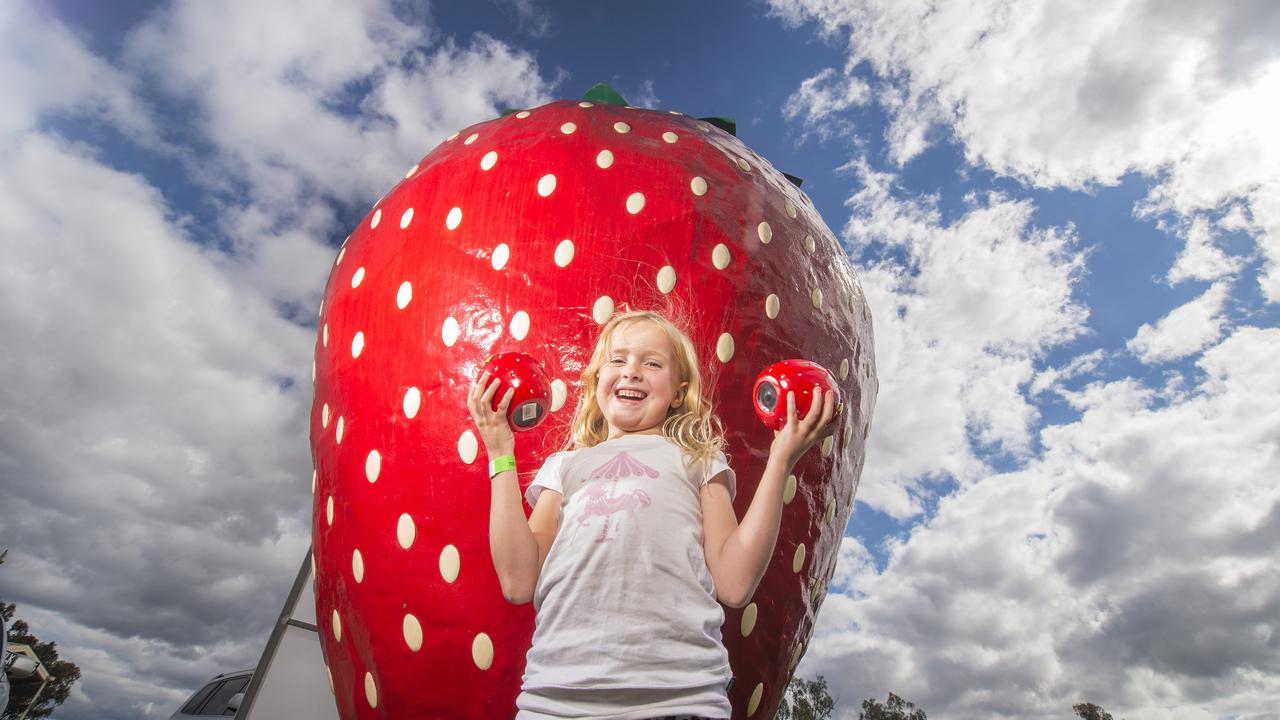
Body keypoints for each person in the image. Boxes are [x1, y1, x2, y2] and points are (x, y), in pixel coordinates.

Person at [468, 309, 835, 720]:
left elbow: (734, 584)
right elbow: (518, 581)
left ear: (678, 393)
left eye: (652, 363)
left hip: (681, 700)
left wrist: (780, 461)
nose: (632, 372)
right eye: (618, 359)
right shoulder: (565, 465)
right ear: (596, 382)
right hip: (554, 701)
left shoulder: (698, 460)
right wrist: (500, 453)